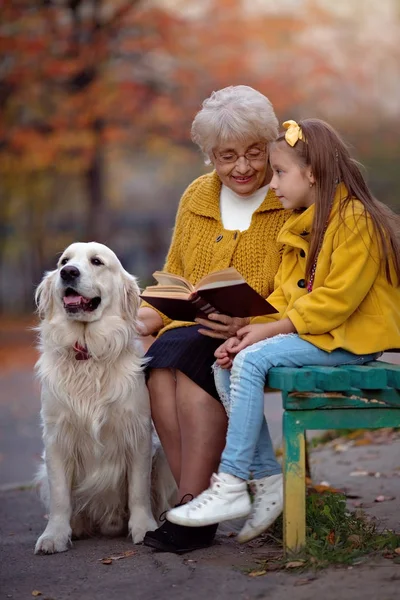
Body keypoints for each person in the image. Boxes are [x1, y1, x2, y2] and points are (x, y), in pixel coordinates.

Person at [166, 118, 400, 543]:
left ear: (312, 173)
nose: (272, 184)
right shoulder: (304, 224)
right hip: (321, 335)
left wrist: (270, 332)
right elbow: (286, 296)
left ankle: (233, 481)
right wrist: (247, 328)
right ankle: (268, 480)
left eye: (280, 172)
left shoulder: (356, 221)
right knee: (229, 361)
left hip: (353, 340)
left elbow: (334, 301)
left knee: (253, 358)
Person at [138, 86, 290, 553]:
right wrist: (150, 312)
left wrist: (254, 321)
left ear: (270, 148)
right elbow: (177, 273)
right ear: (210, 156)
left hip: (259, 332)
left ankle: (191, 511)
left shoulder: (289, 191)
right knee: (160, 366)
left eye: (253, 153)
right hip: (196, 325)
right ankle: (196, 503)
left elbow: (303, 285)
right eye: (227, 157)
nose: (242, 167)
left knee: (190, 364)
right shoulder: (196, 196)